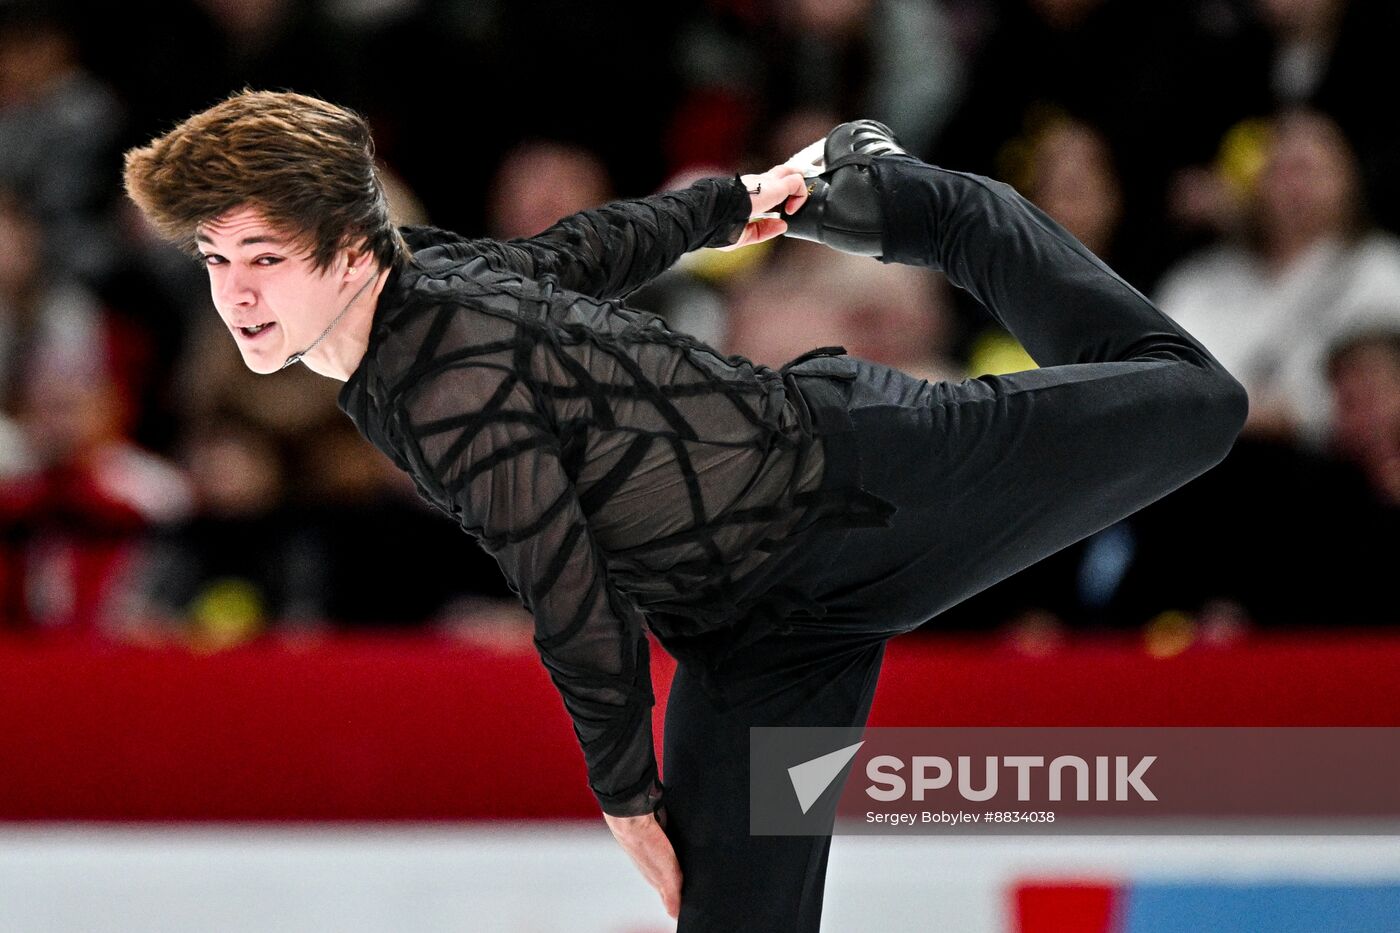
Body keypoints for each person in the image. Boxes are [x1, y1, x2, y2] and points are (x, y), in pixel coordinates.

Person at [122, 91, 1247, 931]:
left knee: (1198, 404)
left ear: (350, 249)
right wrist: (731, 202)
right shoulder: (417, 282)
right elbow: (571, 255)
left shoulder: (439, 387)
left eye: (262, 258)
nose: (235, 295)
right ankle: (868, 195)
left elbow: (569, 592)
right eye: (217, 258)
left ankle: (933, 210)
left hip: (864, 488)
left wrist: (627, 798)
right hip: (756, 640)